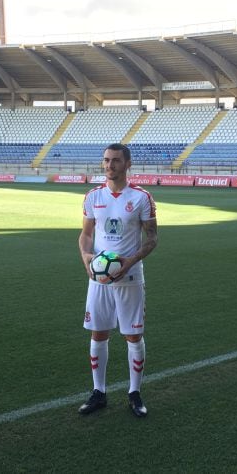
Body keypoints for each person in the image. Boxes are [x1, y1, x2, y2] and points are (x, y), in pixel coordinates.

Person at [77, 143, 158, 417]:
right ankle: (99, 392)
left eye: (115, 161)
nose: (110, 165)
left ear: (127, 164)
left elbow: (152, 238)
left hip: (131, 277)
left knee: (133, 336)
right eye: (106, 160)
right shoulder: (92, 196)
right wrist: (86, 256)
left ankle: (135, 393)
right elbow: (86, 234)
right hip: (99, 280)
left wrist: (130, 262)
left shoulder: (141, 198)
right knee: (98, 333)